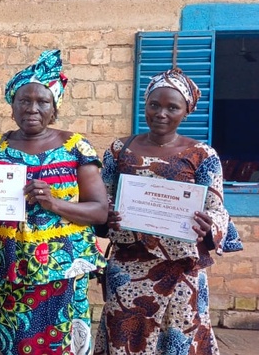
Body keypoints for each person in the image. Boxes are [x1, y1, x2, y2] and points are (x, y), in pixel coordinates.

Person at [0, 50, 108, 355]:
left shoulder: (76, 147)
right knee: (6, 344)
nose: (33, 108)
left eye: (42, 101)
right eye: (24, 100)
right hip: (3, 271)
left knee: (58, 347)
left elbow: (99, 211)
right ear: (12, 105)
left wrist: (55, 204)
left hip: (62, 272)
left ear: (54, 106)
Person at [94, 69, 229, 355]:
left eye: (172, 107)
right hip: (129, 265)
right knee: (126, 336)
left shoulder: (202, 155)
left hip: (182, 270)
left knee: (180, 337)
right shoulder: (120, 150)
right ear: (145, 104)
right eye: (154, 104)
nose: (161, 113)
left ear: (186, 111)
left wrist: (209, 226)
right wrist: (107, 214)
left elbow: (217, 208)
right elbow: (101, 197)